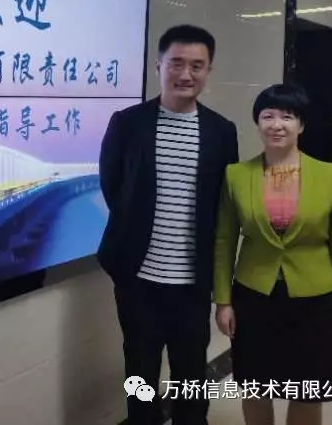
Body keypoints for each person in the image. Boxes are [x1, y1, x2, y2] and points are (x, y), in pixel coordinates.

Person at [98, 24, 239, 424]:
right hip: (138, 280)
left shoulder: (221, 131)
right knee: (139, 372)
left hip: (192, 283)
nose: (185, 74)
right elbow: (113, 188)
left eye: (197, 65)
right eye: (176, 63)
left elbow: (222, 204)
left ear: (208, 71)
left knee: (190, 374)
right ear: (158, 66)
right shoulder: (128, 123)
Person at [214, 83, 332, 425]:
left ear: (301, 125)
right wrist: (222, 301)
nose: (277, 125)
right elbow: (224, 242)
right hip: (254, 297)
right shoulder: (237, 176)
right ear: (258, 123)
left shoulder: (331, 176)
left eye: (287, 116)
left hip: (315, 300)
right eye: (268, 116)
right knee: (255, 387)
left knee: (308, 391)